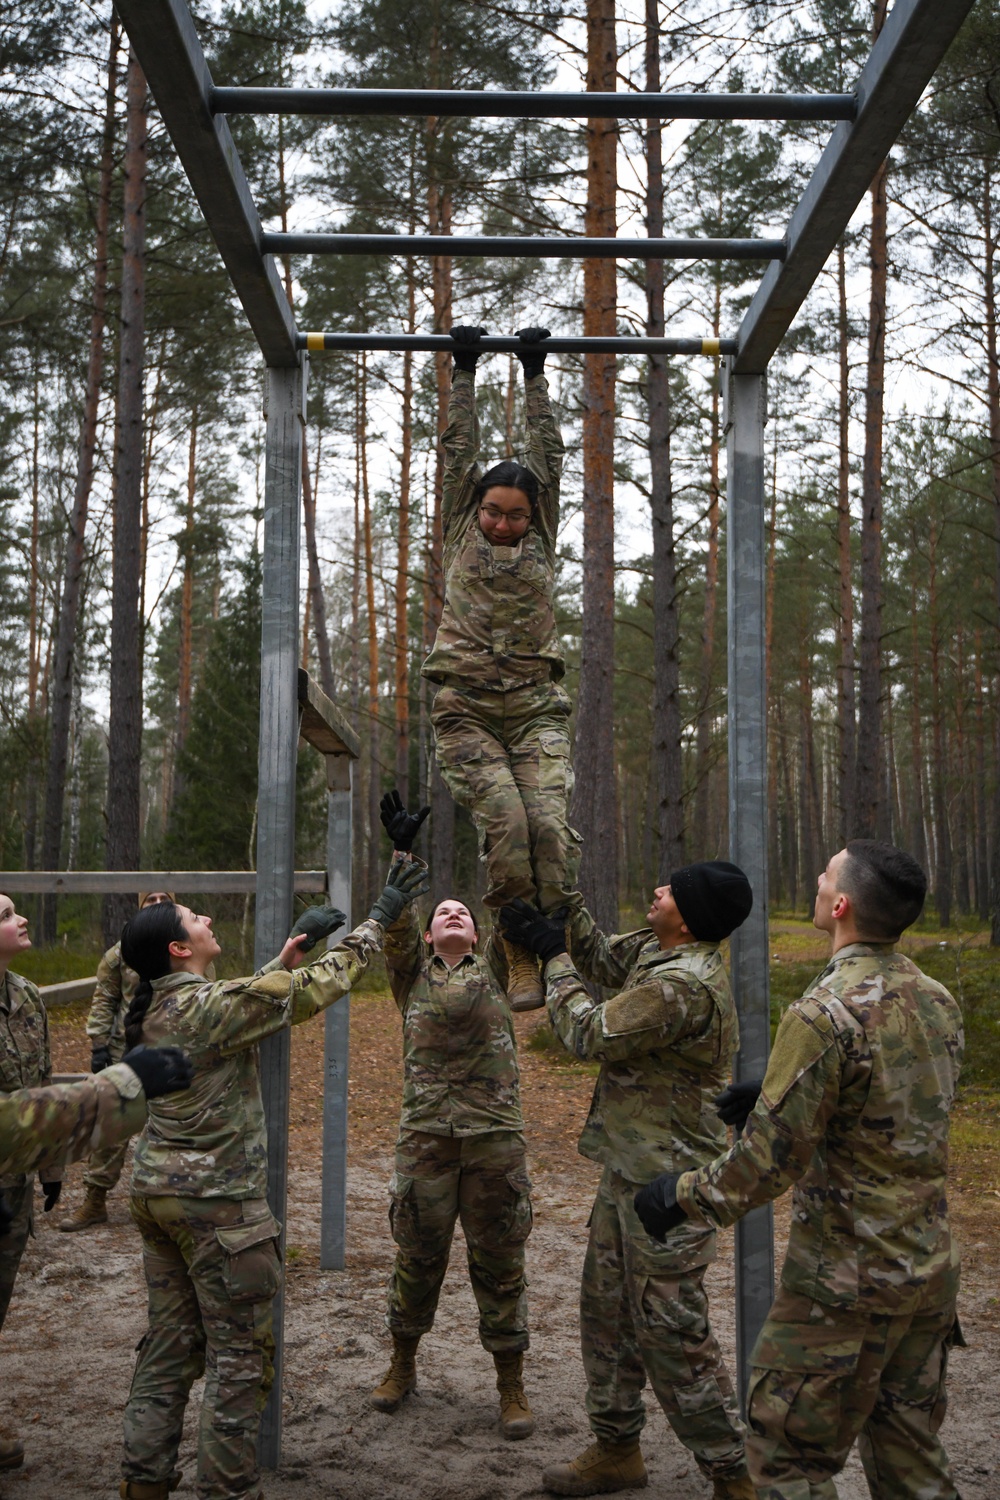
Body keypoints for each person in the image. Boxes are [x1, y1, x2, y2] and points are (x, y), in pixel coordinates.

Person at [635, 840, 965, 1500]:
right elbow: (898, 1103)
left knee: (786, 1459)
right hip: (926, 1274)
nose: (815, 881)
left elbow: (763, 1167)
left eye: (824, 876)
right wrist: (780, 1090)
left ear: (839, 905)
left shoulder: (823, 1012)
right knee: (911, 1460)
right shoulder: (937, 1000)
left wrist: (681, 1196)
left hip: (844, 1286)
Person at [116, 862, 427, 1500]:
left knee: (169, 1351)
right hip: (217, 1210)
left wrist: (283, 952)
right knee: (236, 1357)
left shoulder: (160, 1005)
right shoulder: (209, 1007)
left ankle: (142, 1484)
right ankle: (226, 1489)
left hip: (157, 1196)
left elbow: (231, 1012)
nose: (205, 919)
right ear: (180, 949)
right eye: (194, 919)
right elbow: (316, 986)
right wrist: (378, 919)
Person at [501, 862, 757, 1500]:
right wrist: (557, 899)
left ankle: (733, 1474)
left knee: (672, 1334)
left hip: (668, 1188)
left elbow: (589, 1032)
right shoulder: (654, 950)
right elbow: (596, 950)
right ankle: (617, 1449)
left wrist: (552, 959)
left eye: (670, 888)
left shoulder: (683, 984)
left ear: (690, 916)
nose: (657, 890)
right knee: (607, 1317)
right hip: (626, 1172)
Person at [421, 322, 578, 1011]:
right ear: (475, 508)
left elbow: (549, 452)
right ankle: (518, 954)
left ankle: (557, 949)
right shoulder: (462, 521)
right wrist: (465, 370)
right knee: (510, 825)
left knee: (549, 828)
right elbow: (458, 452)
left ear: (534, 514)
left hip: (535, 706)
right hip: (468, 708)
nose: (504, 525)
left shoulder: (541, 530)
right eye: (494, 512)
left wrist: (536, 373)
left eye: (516, 515)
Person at [371, 792, 534, 1440]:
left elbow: (510, 906)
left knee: (500, 1263)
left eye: (462, 910)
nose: (454, 914)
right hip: (427, 1143)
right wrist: (402, 855)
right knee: (417, 1256)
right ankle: (401, 1366)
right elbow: (394, 923)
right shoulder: (410, 975)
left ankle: (511, 1386)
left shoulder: (497, 968)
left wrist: (503, 834)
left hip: (495, 1142)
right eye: (443, 912)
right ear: (432, 933)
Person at [0, 1043, 193, 1476]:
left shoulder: (23, 997)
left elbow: (35, 1081)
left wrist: (49, 1172)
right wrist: (127, 1083)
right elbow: (13, 1121)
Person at [60, 889, 176, 1232]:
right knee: (112, 1126)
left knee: (173, 1126)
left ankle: (169, 1202)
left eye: (163, 899)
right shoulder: (120, 953)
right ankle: (95, 1200)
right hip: (126, 1052)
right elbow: (104, 1000)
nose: (156, 904)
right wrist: (98, 1045)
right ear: (139, 907)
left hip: (171, 1051)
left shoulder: (189, 949)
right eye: (149, 900)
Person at [0, 891, 66, 1471]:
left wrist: (51, 1170)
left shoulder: (24, 995)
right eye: (4, 915)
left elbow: (42, 1090)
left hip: (14, 1186)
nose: (20, 919)